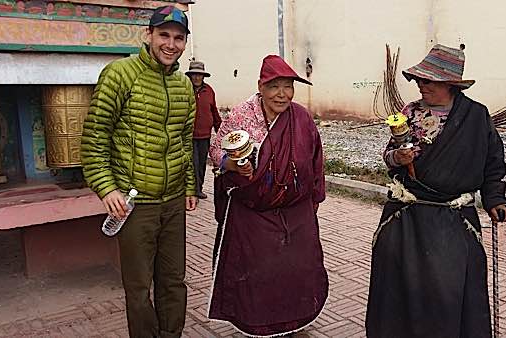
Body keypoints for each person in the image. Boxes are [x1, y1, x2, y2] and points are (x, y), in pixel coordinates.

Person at [365, 44, 506, 338]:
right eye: (419, 80)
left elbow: (493, 163)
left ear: (449, 83)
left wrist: (495, 198)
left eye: (428, 81)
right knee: (400, 288)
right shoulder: (410, 113)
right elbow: (388, 156)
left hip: (452, 219)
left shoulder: (476, 116)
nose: (421, 86)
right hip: (407, 215)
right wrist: (399, 158)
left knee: (447, 289)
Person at [80, 5, 197, 337]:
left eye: (178, 38)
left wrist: (189, 186)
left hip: (173, 202)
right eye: (164, 35)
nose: (170, 44)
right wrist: (107, 187)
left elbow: (184, 142)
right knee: (138, 287)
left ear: (185, 42)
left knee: (173, 281)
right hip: (134, 203)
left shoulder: (184, 86)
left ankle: (171, 334)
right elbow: (95, 137)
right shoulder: (120, 74)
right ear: (148, 35)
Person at [207, 55, 328, 337]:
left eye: (288, 86)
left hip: (295, 213)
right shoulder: (243, 115)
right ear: (261, 86)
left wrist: (315, 200)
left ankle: (293, 323)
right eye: (275, 86)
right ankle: (258, 325)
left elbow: (316, 161)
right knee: (259, 275)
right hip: (253, 214)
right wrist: (232, 164)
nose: (282, 94)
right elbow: (216, 152)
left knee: (296, 272)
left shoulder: (301, 118)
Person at [185, 60, 221, 200]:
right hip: (189, 135)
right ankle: (192, 191)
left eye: (199, 75)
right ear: (190, 75)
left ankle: (198, 189)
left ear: (203, 76)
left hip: (204, 135)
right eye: (194, 74)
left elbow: (214, 112)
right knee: (192, 164)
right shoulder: (185, 89)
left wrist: (220, 131)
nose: (196, 77)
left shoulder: (209, 91)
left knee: (201, 165)